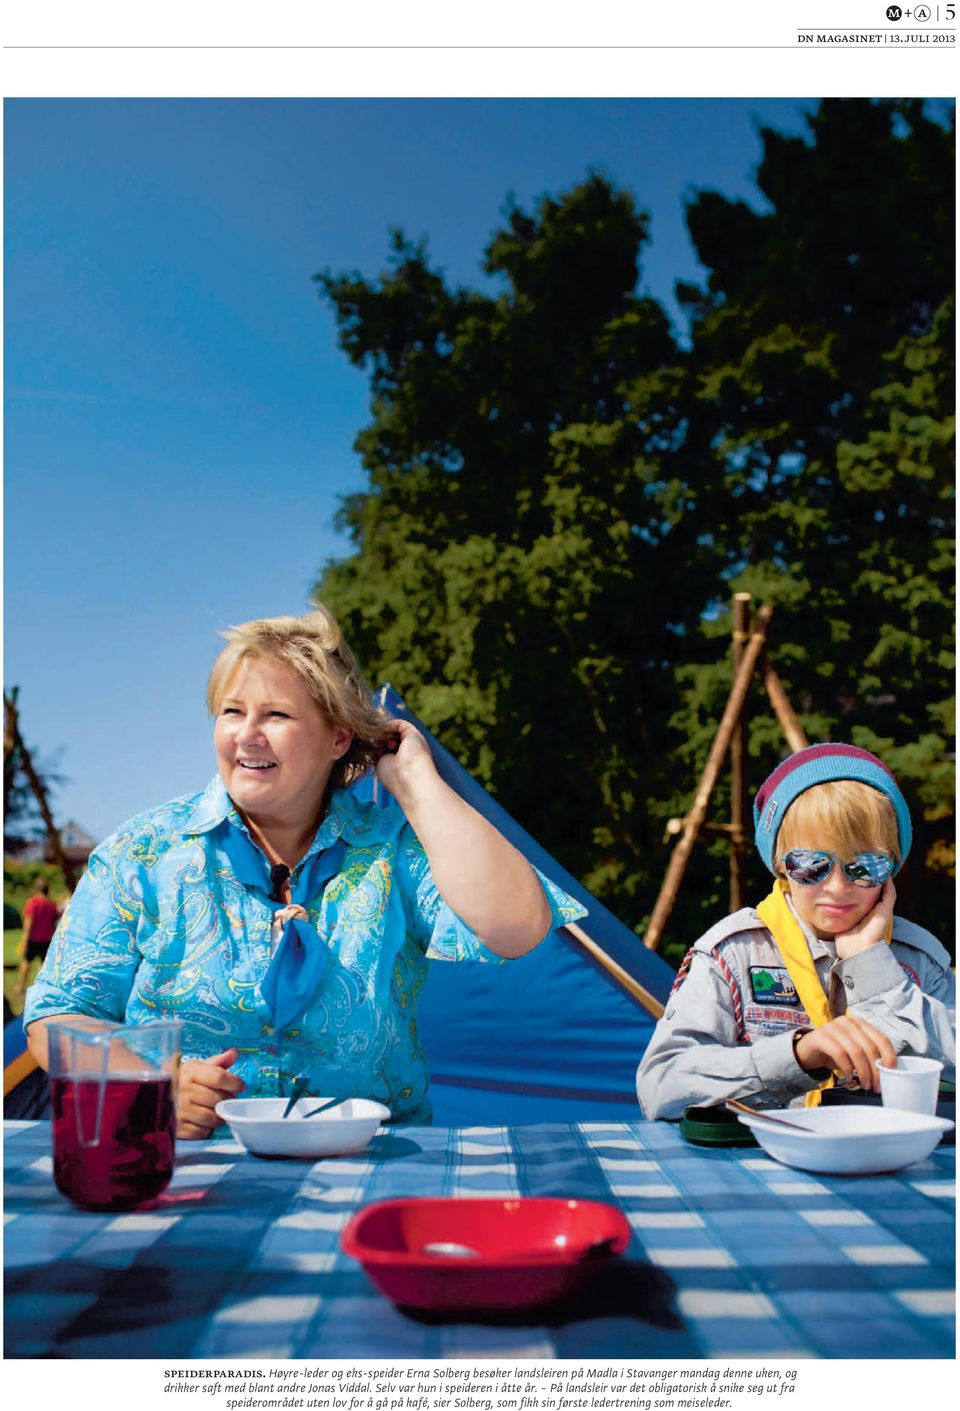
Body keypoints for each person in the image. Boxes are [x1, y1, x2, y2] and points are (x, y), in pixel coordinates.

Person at [24, 606, 585, 1136]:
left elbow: (519, 928)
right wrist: (151, 1079)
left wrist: (417, 786)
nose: (247, 734)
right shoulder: (143, 853)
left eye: (277, 715)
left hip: (375, 1164)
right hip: (193, 1169)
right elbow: (57, 1019)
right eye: (232, 711)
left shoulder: (394, 851)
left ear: (338, 737)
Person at [636, 743, 956, 1119]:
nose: (837, 887)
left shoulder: (920, 959)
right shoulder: (735, 953)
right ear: (780, 864)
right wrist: (798, 1055)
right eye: (811, 864)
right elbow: (659, 1087)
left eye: (865, 867)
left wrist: (873, 970)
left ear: (893, 867)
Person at [16, 877, 61, 995]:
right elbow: (54, 923)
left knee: (26, 962)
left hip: (33, 939)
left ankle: (21, 986)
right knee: (42, 964)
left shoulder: (32, 902)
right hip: (47, 939)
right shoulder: (51, 904)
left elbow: (28, 923)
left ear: (36, 889)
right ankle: (39, 987)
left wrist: (24, 940)